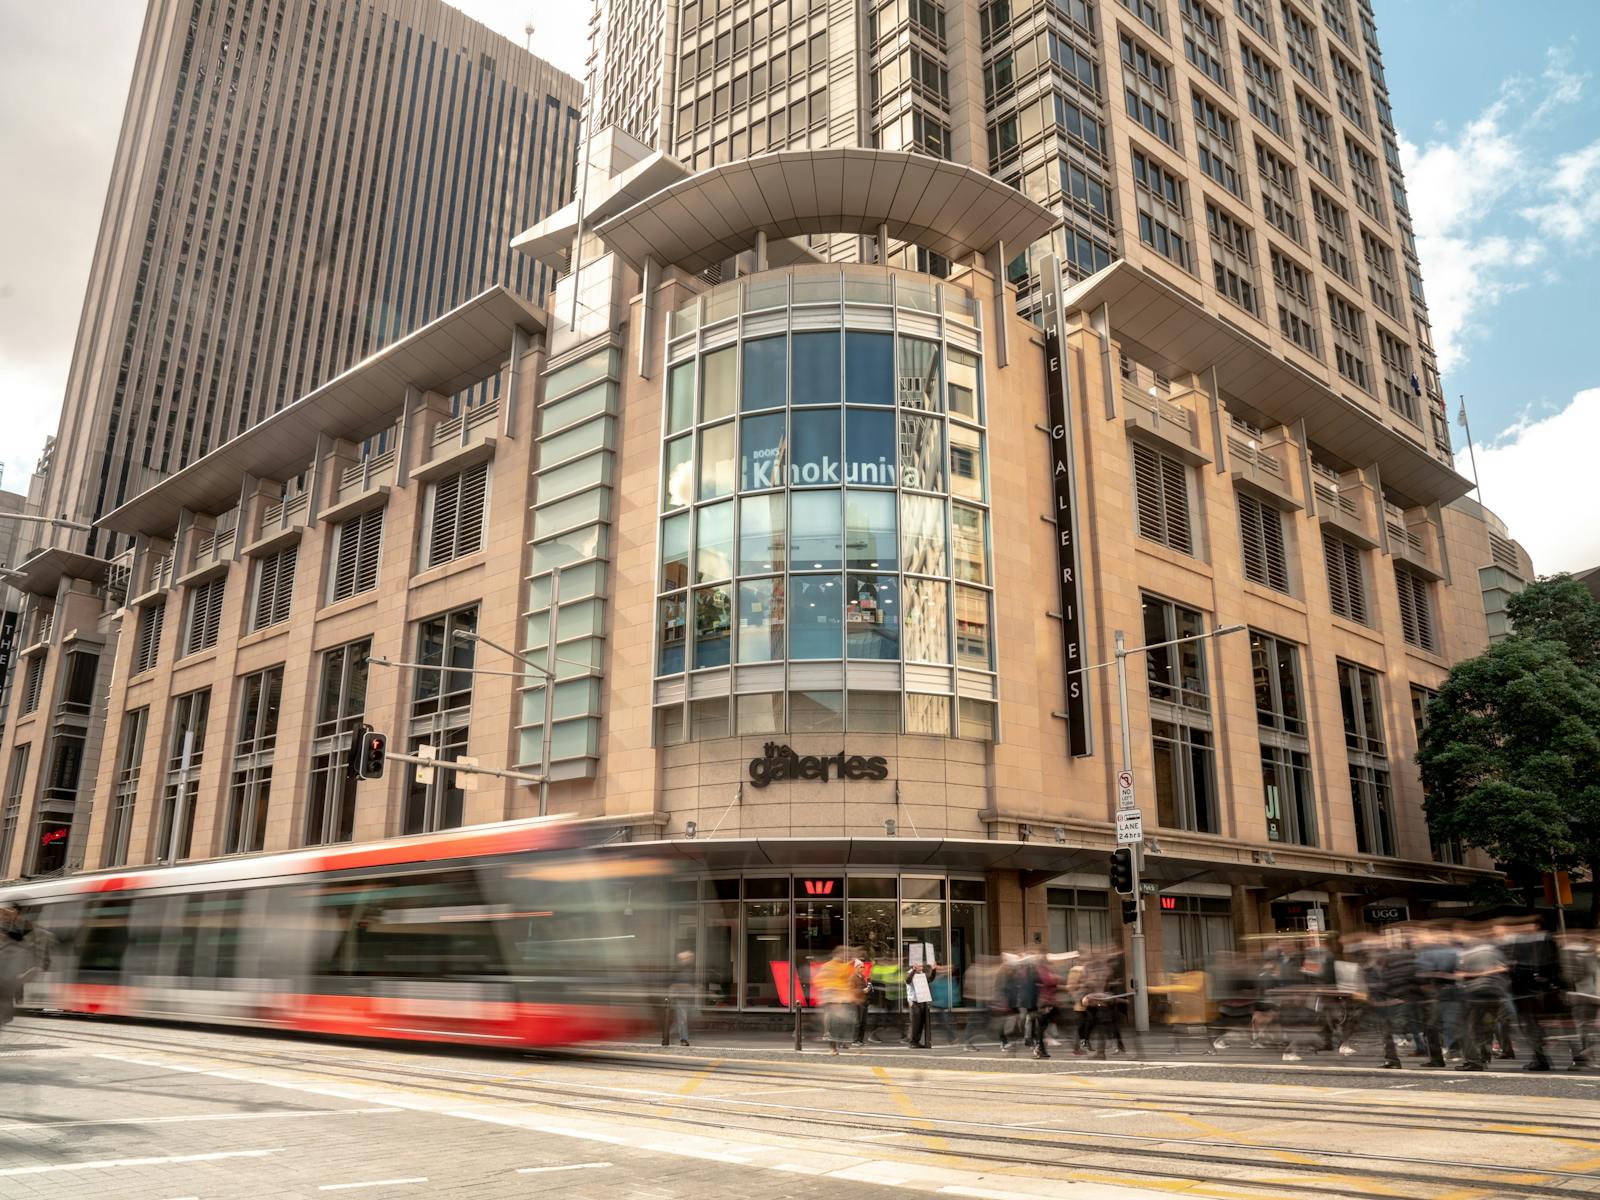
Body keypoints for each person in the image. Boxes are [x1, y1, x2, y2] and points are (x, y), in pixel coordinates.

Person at [814, 947, 860, 1054]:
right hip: (834, 998)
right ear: (838, 954)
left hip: (840, 998)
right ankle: (834, 1046)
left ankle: (835, 1045)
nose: (846, 956)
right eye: (845, 954)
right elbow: (819, 980)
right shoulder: (832, 966)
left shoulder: (842, 966)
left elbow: (849, 981)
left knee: (838, 1022)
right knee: (835, 1022)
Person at [667, 949, 696, 1047]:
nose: (689, 960)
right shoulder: (677, 971)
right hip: (680, 999)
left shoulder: (690, 970)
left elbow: (692, 984)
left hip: (688, 999)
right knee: (683, 1020)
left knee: (682, 1020)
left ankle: (669, 1034)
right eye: (687, 958)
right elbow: (673, 985)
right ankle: (683, 1039)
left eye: (690, 958)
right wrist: (671, 997)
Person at [906, 961, 935, 1048]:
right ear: (915, 967)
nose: (921, 968)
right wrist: (914, 971)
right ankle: (912, 1042)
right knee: (915, 1023)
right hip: (914, 1001)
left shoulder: (922, 974)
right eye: (919, 967)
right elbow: (908, 980)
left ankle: (916, 1041)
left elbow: (930, 979)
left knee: (921, 1023)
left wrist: (933, 970)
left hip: (922, 1000)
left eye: (922, 967)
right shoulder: (910, 973)